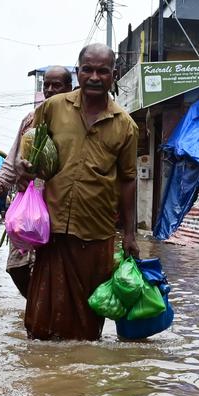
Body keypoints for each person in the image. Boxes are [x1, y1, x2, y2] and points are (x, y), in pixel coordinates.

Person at [19, 45, 138, 340]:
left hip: (96, 231)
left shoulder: (125, 125)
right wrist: (24, 167)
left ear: (114, 75)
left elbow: (128, 180)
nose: (94, 77)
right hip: (53, 226)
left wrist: (131, 234)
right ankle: (48, 375)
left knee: (87, 320)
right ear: (78, 71)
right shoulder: (53, 107)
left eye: (102, 71)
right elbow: (32, 145)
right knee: (42, 316)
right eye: (87, 69)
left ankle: (80, 373)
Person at [0, 65, 73, 295]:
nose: (50, 90)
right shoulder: (31, 120)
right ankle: (36, 307)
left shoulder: (76, 122)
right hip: (29, 204)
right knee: (17, 267)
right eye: (47, 86)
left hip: (61, 204)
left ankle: (45, 316)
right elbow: (13, 160)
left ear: (69, 88)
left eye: (57, 85)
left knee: (53, 267)